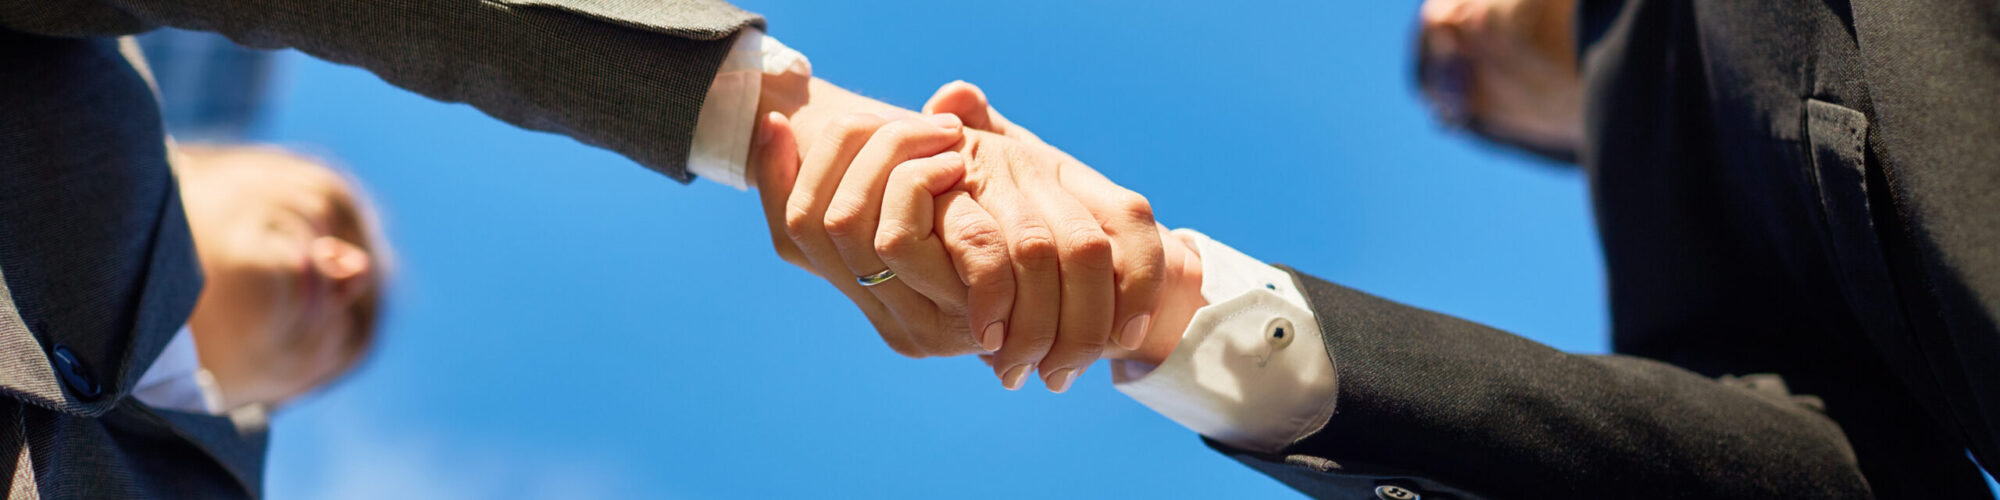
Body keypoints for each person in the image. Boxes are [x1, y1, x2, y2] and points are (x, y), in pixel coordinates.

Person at [754, 0, 2000, 497]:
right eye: (1440, 77)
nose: (1445, 15)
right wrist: (1180, 307)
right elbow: (1835, 474)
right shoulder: (1713, 206)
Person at [0, 1, 1162, 497]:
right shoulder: (81, 76)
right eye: (331, 215)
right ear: (219, 148)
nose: (347, 273)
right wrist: (775, 120)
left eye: (354, 329)